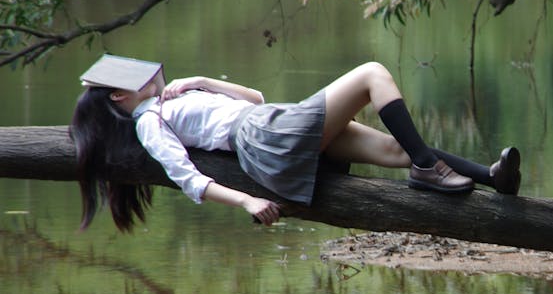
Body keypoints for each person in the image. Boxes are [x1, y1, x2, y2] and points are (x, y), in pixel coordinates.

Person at [69, 55, 522, 231]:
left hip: (267, 119)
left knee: (395, 151)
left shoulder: (172, 98)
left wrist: (203, 80)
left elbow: (255, 98)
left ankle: (489, 177)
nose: (152, 74)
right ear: (118, 96)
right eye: (138, 77)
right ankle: (428, 170)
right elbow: (188, 178)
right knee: (370, 74)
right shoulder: (149, 123)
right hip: (264, 137)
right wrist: (246, 202)